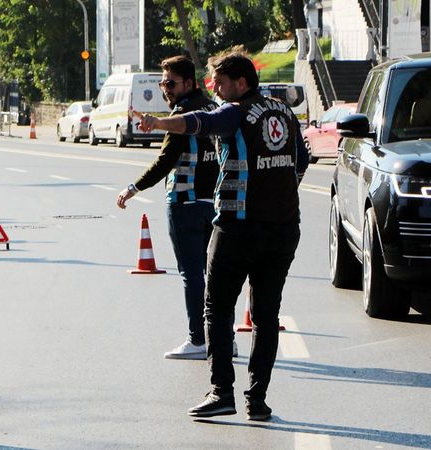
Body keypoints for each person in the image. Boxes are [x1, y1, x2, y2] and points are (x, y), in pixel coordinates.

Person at [134, 51, 308, 421]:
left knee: (216, 308)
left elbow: (199, 122)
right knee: (265, 315)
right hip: (283, 229)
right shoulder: (285, 113)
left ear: (241, 84)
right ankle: (257, 400)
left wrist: (159, 123)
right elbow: (301, 161)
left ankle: (222, 392)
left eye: (221, 82)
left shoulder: (236, 112)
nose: (214, 87)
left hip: (237, 227)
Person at [116, 56, 238, 360]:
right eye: (162, 83)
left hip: (185, 202)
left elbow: (165, 161)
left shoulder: (182, 115)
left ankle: (198, 339)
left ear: (188, 83)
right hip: (218, 203)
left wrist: (133, 188)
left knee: (192, 273)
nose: (165, 89)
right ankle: (225, 339)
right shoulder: (213, 108)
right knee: (218, 274)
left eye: (170, 83)